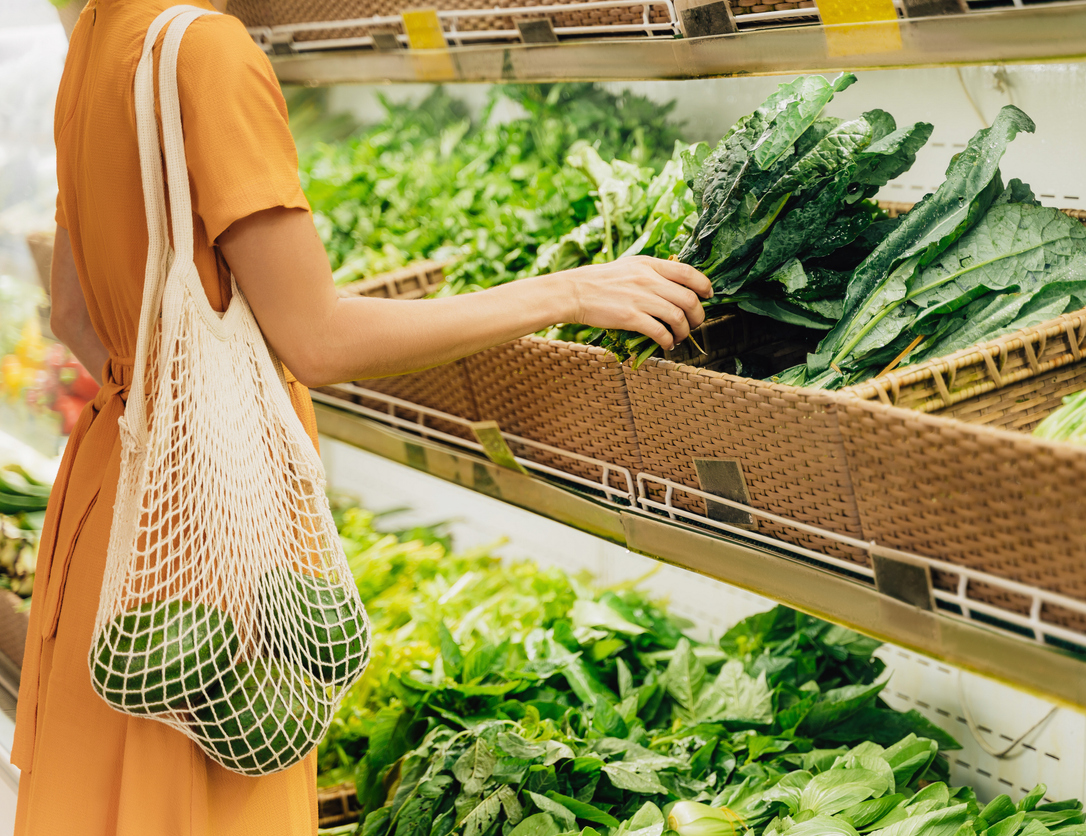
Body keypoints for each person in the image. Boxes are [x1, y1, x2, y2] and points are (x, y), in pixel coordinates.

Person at [16, 0, 711, 832]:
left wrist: (170, 412)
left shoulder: (100, 36)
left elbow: (73, 316)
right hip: (213, 566)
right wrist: (568, 290)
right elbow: (319, 340)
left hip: (118, 521)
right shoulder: (208, 50)